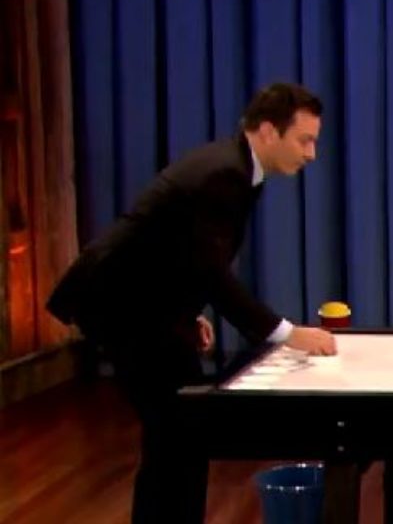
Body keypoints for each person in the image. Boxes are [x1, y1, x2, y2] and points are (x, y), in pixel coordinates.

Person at [46, 81, 338, 524]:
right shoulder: (223, 175)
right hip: (119, 305)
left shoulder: (237, 169)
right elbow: (211, 272)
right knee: (176, 436)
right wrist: (287, 334)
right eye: (304, 140)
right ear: (267, 131)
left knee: (180, 438)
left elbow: (183, 252)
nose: (312, 154)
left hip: (146, 306)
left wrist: (186, 312)